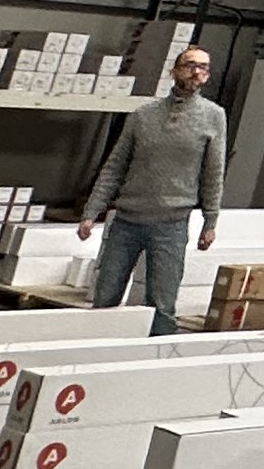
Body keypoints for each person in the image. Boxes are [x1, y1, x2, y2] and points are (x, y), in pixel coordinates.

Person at [78, 43, 224, 335]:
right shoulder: (143, 115)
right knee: (105, 297)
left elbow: (213, 172)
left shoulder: (214, 116)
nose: (196, 72)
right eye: (190, 65)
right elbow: (115, 166)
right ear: (174, 71)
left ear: (207, 76)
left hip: (171, 223)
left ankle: (155, 354)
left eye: (203, 68)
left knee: (162, 305)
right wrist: (91, 212)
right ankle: (96, 350)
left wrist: (211, 221)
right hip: (127, 221)